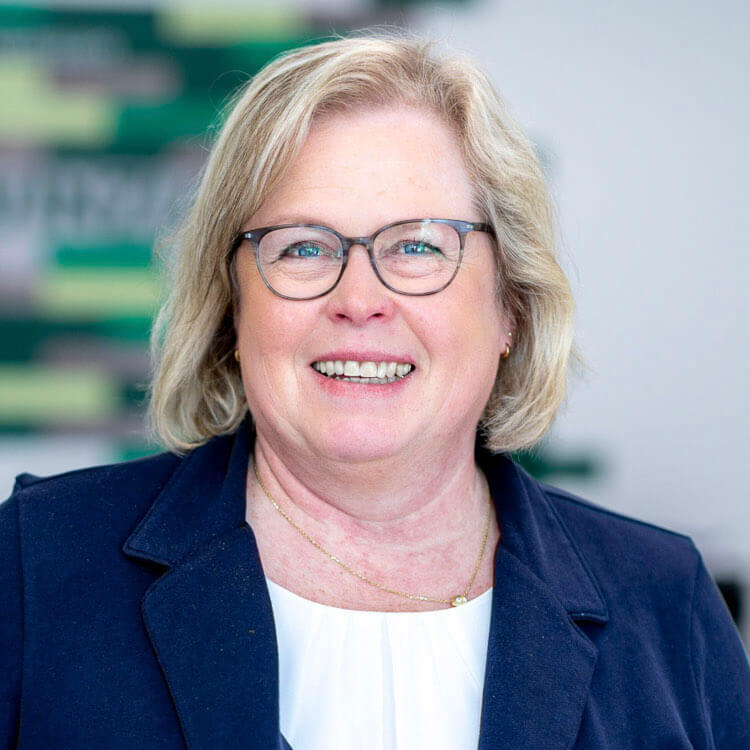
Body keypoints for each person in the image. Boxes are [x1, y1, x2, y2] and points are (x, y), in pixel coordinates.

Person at [1, 33, 748, 750]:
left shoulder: (666, 601)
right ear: (232, 307)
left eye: (418, 246)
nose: (359, 300)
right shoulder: (37, 566)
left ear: (511, 307)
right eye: (303, 247)